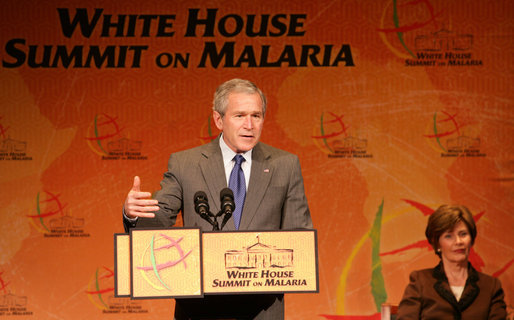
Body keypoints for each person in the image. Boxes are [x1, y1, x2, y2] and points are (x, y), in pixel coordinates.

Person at [123, 78, 313, 319]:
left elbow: (300, 238)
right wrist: (134, 214)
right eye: (239, 115)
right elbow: (159, 223)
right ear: (218, 120)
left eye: (256, 116)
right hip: (200, 308)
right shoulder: (186, 164)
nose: (249, 125)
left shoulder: (284, 165)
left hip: (261, 310)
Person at [397, 205, 506, 320]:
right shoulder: (420, 282)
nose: (458, 241)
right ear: (437, 243)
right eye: (449, 236)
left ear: (471, 239)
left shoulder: (491, 286)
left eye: (463, 234)